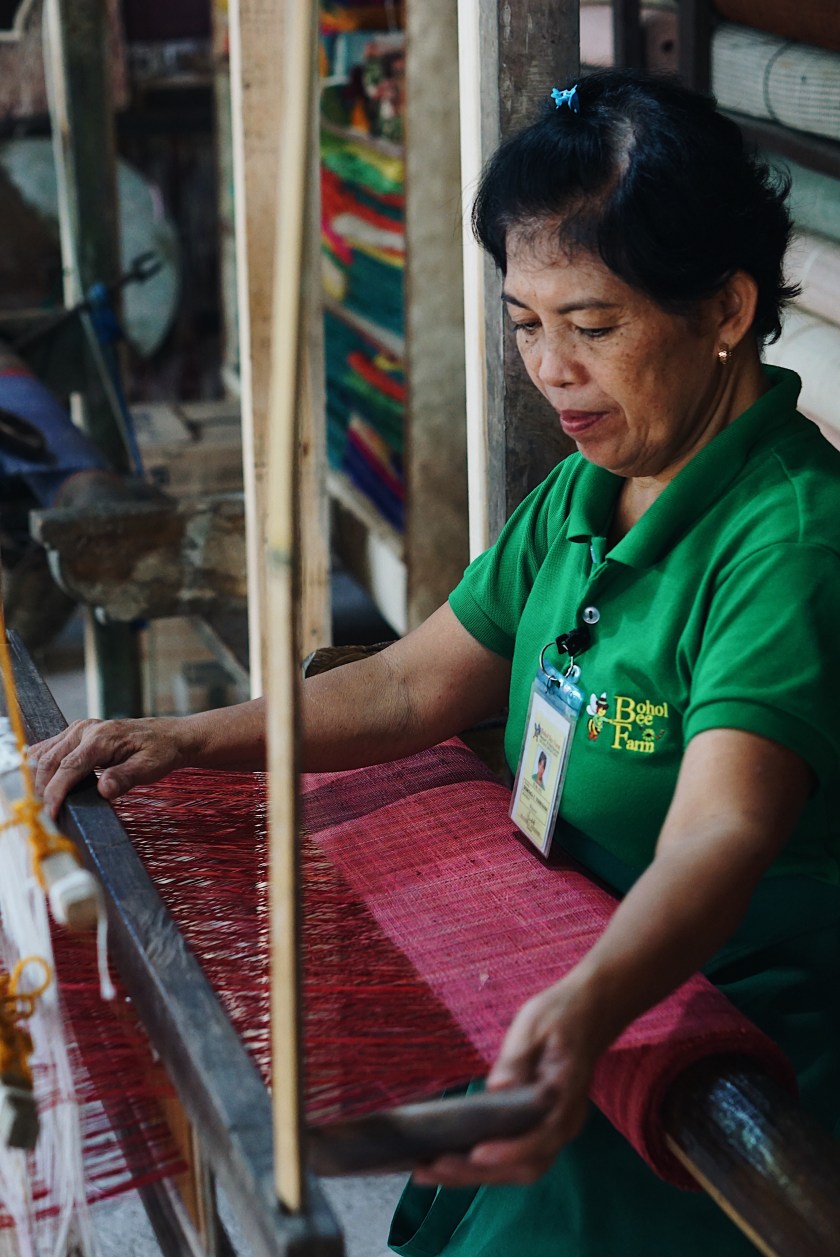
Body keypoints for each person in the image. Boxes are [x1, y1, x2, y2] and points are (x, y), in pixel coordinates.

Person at [30, 69, 840, 1255]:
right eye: (525, 324)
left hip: (720, 1059)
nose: (550, 369)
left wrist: (584, 1010)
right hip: (577, 985)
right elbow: (418, 681)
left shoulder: (792, 541)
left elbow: (719, 833)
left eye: (594, 325)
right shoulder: (590, 488)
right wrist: (191, 740)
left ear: (725, 308)